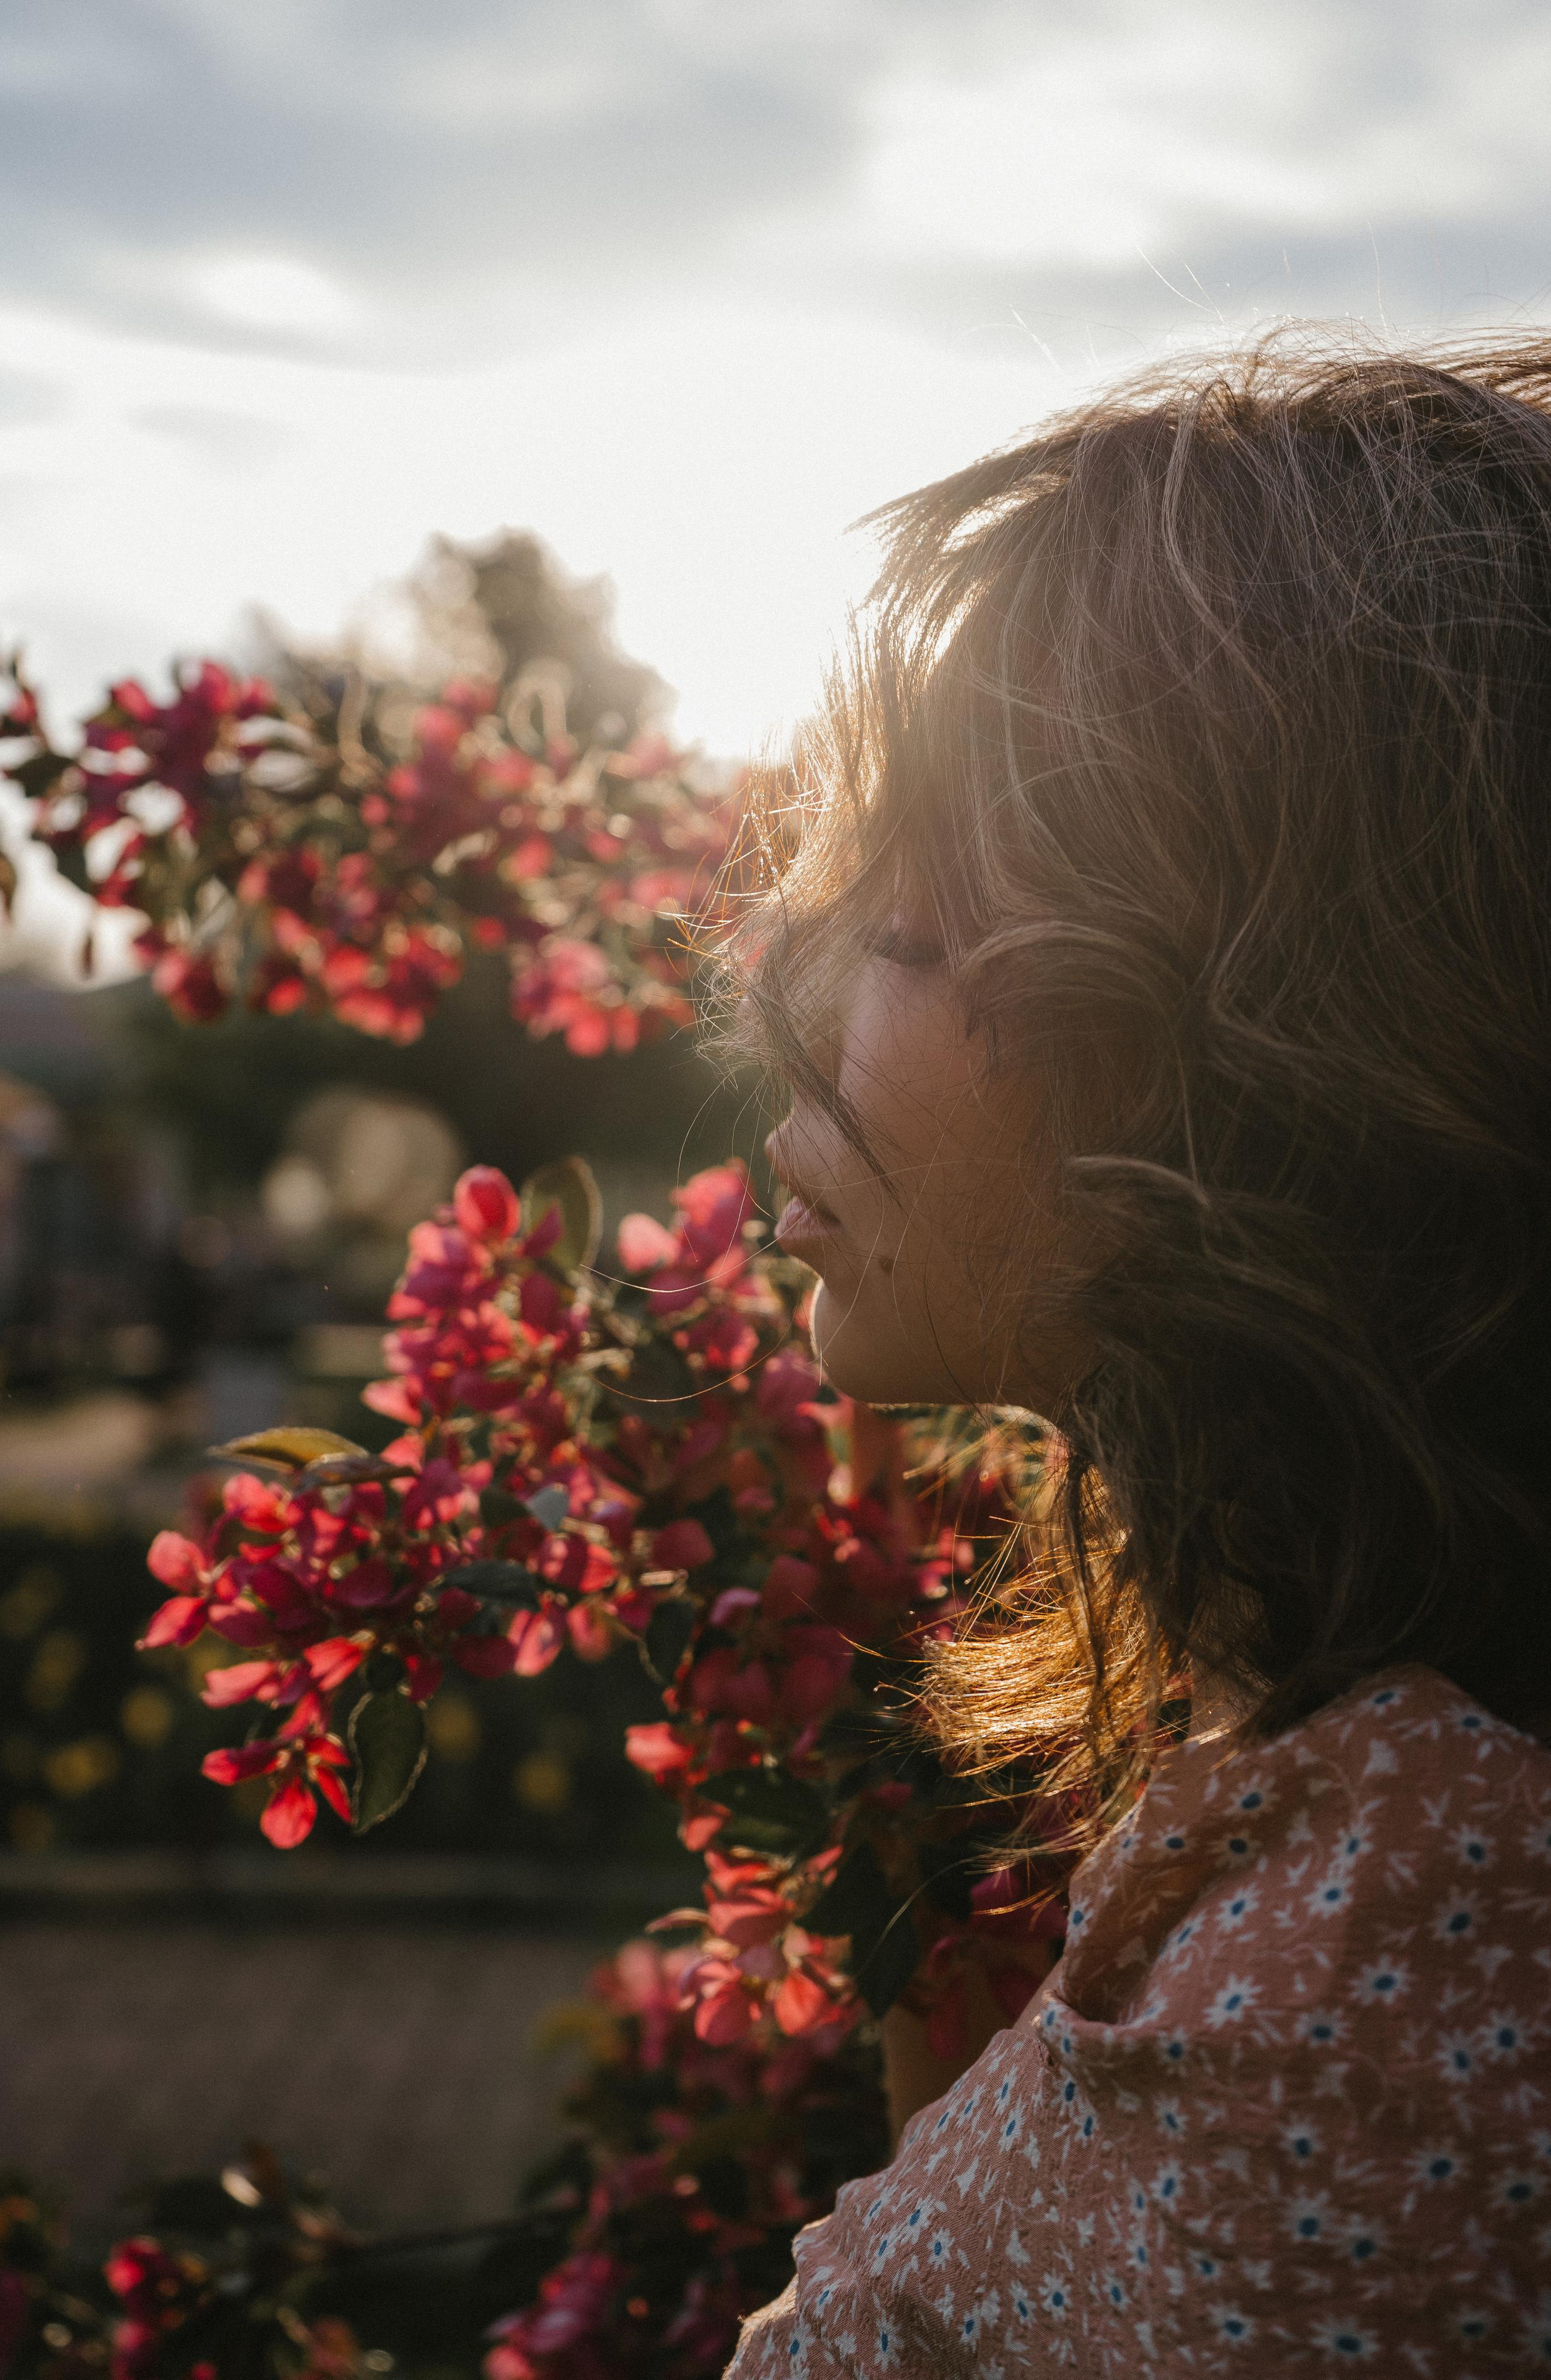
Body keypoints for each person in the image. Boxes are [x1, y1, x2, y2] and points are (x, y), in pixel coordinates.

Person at [720, 334, 1551, 2374]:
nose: (773, 984)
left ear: (1263, 1072)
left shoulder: (1391, 1989)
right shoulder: (1361, 1791)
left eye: (908, 925)